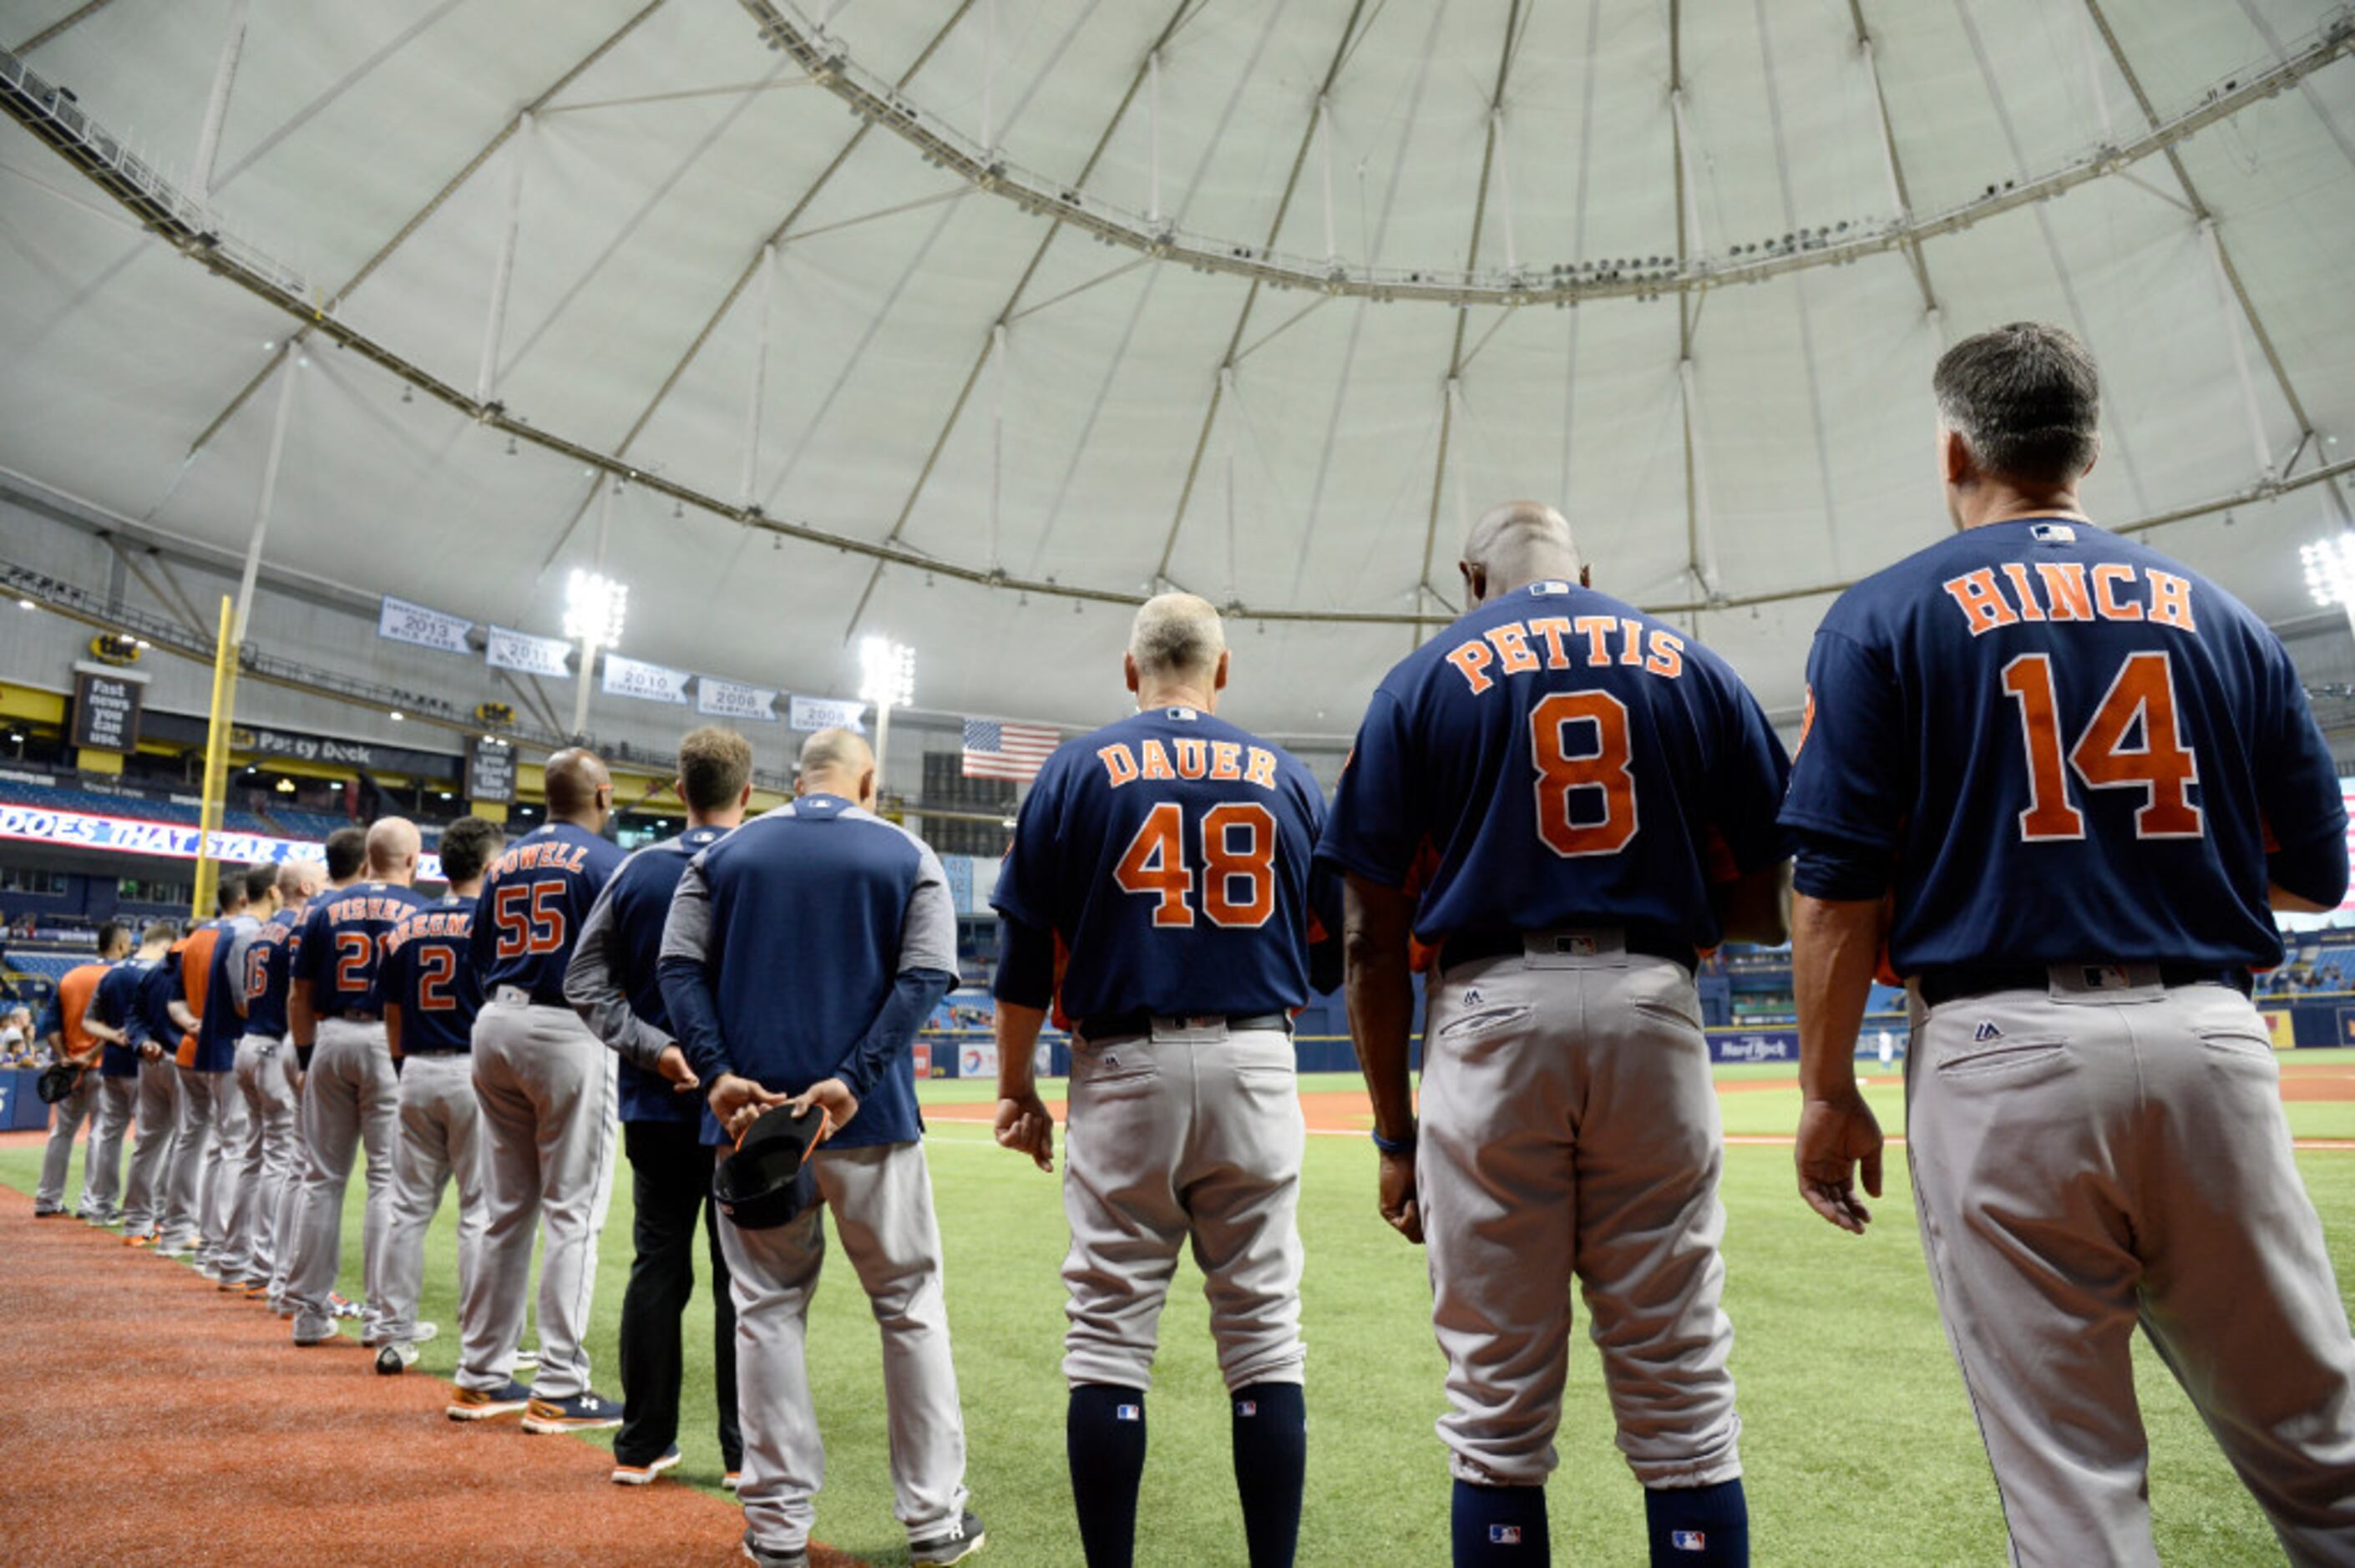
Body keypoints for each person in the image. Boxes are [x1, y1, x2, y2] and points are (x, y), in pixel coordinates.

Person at [1782, 322, 2355, 1565]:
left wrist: (1827, 1090)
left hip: (2004, 1046)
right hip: (2210, 1034)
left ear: (1955, 448)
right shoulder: (2223, 618)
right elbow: (2318, 877)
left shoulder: (1885, 615)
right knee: (2324, 1447)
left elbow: (1833, 891)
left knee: (2072, 1488)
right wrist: (2147, 857)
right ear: (2088, 448)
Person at [1319, 502, 1792, 1567]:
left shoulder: (1424, 677)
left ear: (1469, 576)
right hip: (1651, 1000)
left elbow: (1365, 938)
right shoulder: (1690, 664)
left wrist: (1395, 1138)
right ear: (1586, 567)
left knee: (1495, 1408)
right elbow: (1771, 897)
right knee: (1681, 1392)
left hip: (1489, 1011)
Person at [990, 594, 1339, 1568]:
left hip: (1124, 1061)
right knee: (1265, 1334)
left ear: (1129, 669)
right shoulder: (1285, 776)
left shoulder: (1075, 767)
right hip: (1257, 1054)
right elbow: (1334, 953)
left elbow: (1021, 959)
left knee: (1107, 1336)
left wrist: (1017, 1088)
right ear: (1223, 671)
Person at [659, 727, 982, 1568]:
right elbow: (926, 977)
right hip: (867, 1123)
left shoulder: (723, 856)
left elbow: (676, 970)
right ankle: (935, 1521)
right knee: (909, 1310)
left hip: (749, 1127)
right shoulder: (907, 853)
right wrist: (853, 1078)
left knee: (765, 1315)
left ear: (788, 781)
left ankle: (775, 1531)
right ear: (867, 779)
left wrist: (720, 1073)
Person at [564, 727, 752, 1487]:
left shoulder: (638, 870)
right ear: (748, 793)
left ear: (680, 791)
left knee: (658, 1265)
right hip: (741, 1105)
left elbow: (584, 981)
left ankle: (641, 1445)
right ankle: (747, 1455)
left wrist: (651, 1047)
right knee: (743, 1277)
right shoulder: (758, 865)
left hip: (654, 1099)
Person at [450, 749, 625, 1429]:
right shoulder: (608, 863)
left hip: (496, 1021)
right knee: (573, 1211)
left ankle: (481, 1375)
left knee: (506, 1209)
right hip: (567, 1028)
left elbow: (476, 957)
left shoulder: (503, 864)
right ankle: (558, 1382)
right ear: (603, 796)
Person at [285, 819, 428, 1348]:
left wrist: (304, 1056)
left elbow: (299, 994)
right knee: (385, 1180)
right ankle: (380, 1318)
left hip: (331, 1035)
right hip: (388, 1042)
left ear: (366, 859)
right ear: (411, 860)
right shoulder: (419, 910)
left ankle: (308, 1312)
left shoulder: (321, 908)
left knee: (321, 1178)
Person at [373, 816, 507, 1373]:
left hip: (417, 1070)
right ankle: (482, 1344)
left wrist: (405, 1068)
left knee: (406, 1210)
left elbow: (393, 1014)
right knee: (480, 1212)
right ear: (487, 866)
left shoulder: (408, 924)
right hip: (474, 1073)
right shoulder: (496, 921)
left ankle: (393, 1335)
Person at [220, 860, 322, 1300]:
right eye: (317, 881)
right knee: (284, 1163)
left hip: (247, 1044)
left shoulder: (257, 932)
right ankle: (265, 1266)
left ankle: (233, 1261)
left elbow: (242, 999)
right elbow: (300, 995)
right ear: (303, 886)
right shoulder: (299, 928)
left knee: (254, 1158)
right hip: (276, 1047)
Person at [80, 921, 180, 1235]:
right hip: (147, 1064)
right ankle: (152, 1211)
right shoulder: (159, 974)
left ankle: (101, 1207)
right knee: (155, 1142)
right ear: (166, 945)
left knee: (107, 1137)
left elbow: (88, 1022)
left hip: (112, 1064)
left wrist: (115, 1035)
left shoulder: (113, 972)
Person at [32, 921, 131, 1218]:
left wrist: (65, 1058)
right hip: (104, 1068)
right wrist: (90, 1055)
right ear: (121, 945)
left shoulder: (70, 976)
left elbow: (50, 1026)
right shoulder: (120, 977)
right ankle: (91, 1204)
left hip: (69, 1070)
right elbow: (119, 1028)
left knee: (61, 1133)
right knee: (101, 1135)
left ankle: (47, 1200)